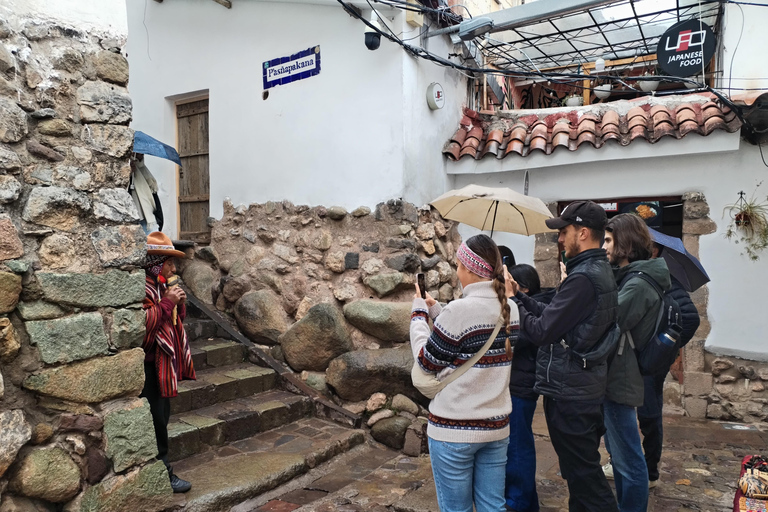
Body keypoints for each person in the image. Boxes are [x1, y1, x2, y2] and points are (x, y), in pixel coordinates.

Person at [506, 200, 619, 512]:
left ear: (582, 233)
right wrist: (519, 297)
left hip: (571, 395)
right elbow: (557, 318)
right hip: (581, 388)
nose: (559, 239)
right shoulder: (595, 271)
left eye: (563, 232)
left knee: (587, 480)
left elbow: (543, 331)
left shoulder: (583, 279)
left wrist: (511, 303)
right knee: (580, 477)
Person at [410, 234, 518, 512]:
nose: (457, 272)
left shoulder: (460, 311)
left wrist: (419, 315)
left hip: (454, 431)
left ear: (469, 269)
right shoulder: (512, 309)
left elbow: (426, 363)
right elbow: (473, 337)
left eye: (458, 265)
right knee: (493, 506)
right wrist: (437, 310)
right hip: (495, 428)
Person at [601, 213, 671, 511]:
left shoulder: (639, 283)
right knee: (621, 455)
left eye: (607, 240)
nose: (603, 246)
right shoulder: (631, 278)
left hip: (622, 376)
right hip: (620, 372)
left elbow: (608, 321)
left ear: (625, 243)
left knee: (629, 459)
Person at [636, 242, 700, 488]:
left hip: (652, 362)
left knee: (649, 417)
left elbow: (691, 318)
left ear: (653, 251)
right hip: (637, 360)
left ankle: (651, 472)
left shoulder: (667, 280)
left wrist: (664, 349)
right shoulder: (640, 277)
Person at [140, 231, 196, 493]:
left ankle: (161, 470)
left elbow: (174, 324)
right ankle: (164, 473)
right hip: (150, 366)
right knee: (156, 420)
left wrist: (179, 304)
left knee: (162, 416)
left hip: (163, 365)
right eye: (170, 262)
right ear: (156, 263)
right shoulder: (145, 288)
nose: (174, 268)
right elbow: (145, 323)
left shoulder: (161, 287)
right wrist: (167, 303)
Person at [504, 264, 554, 512]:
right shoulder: (530, 306)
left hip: (520, 387)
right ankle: (526, 500)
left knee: (517, 446)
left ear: (522, 288)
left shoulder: (528, 311)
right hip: (518, 385)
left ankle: (518, 502)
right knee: (516, 444)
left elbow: (515, 340)